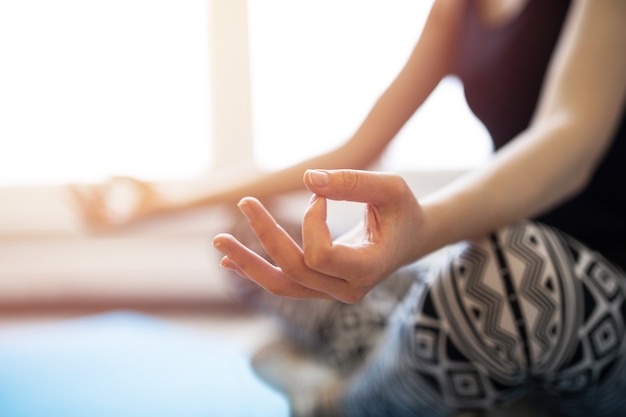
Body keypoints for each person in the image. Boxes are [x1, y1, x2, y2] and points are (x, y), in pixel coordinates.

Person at [74, 0, 626, 416]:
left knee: (506, 275)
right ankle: (429, 359)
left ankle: (343, 399)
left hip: (581, 297)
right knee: (255, 241)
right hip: (485, 283)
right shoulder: (456, 10)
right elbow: (354, 151)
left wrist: (424, 227)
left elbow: (568, 136)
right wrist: (162, 200)